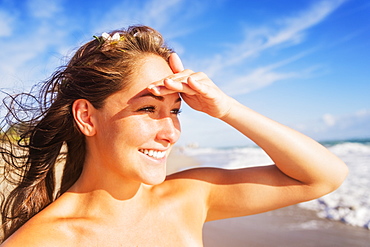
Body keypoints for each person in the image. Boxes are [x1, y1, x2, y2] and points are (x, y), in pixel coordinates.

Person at [0, 25, 347, 246]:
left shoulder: (189, 198)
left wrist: (226, 108)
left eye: (176, 111)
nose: (170, 133)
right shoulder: (43, 240)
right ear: (87, 117)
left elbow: (325, 176)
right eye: (148, 109)